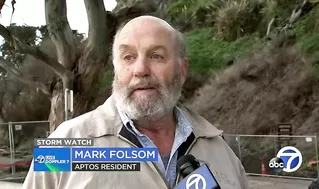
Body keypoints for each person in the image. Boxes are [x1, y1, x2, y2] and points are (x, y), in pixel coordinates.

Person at [22, 15, 249, 189]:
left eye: (156, 56)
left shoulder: (222, 151)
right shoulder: (63, 146)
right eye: (128, 57)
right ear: (116, 69)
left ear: (182, 70)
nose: (140, 70)